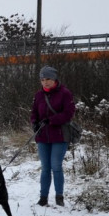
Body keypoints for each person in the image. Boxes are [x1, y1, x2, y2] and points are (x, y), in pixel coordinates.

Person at [30, 65, 75, 207]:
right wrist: (35, 123)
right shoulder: (38, 95)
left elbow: (68, 114)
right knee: (45, 168)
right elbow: (33, 113)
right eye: (42, 79)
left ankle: (59, 197)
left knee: (56, 166)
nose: (45, 82)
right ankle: (43, 197)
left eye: (48, 79)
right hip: (42, 136)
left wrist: (51, 120)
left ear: (54, 79)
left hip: (60, 135)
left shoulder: (65, 93)